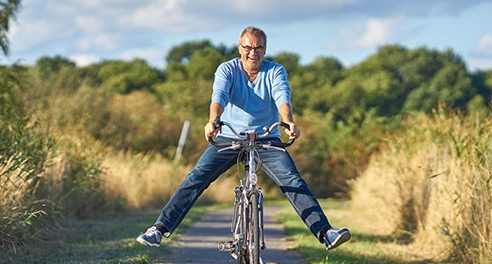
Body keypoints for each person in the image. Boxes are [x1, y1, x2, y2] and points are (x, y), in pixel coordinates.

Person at [137, 26, 351, 250]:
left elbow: (282, 97)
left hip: (266, 139)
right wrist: (214, 120)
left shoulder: (275, 71)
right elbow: (219, 95)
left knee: (293, 181)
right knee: (196, 177)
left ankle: (326, 232)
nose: (253, 53)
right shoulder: (227, 70)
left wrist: (288, 121)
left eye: (258, 48)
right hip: (229, 137)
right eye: (248, 47)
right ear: (240, 48)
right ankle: (159, 229)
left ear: (265, 50)